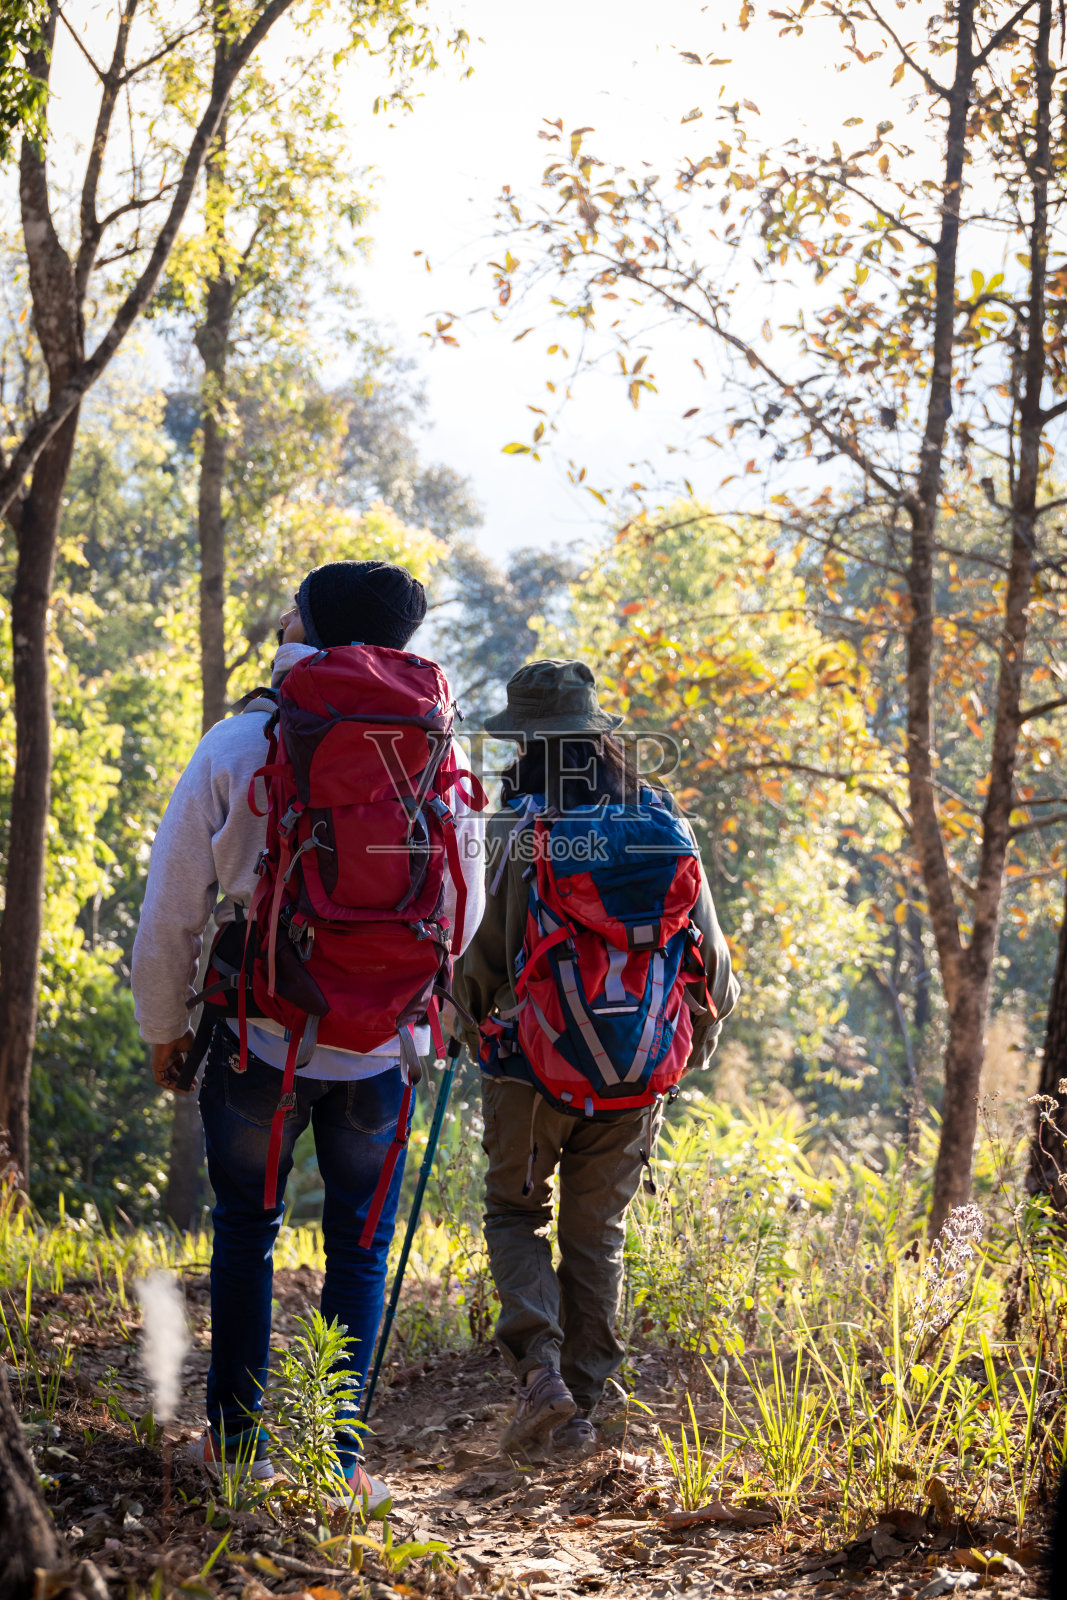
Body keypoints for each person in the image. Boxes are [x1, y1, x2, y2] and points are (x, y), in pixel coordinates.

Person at [131, 560, 484, 1506]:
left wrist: (164, 1028)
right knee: (360, 1251)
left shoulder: (242, 739)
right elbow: (466, 908)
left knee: (245, 1231)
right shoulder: (437, 753)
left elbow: (171, 910)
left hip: (259, 1035)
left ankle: (239, 1449)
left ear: (310, 626)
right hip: (382, 1052)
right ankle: (340, 1463)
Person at [453, 659, 738, 1454]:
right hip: (638, 1074)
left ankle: (539, 1370)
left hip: (526, 1072)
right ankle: (581, 1409)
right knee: (596, 1235)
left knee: (514, 1212)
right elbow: (711, 966)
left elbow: (479, 966)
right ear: (603, 739)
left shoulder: (516, 829)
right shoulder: (662, 823)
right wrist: (674, 1052)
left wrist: (458, 1029)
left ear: (524, 744)